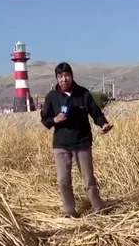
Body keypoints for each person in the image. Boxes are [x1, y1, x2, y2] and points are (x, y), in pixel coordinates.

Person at [41, 62, 113, 218]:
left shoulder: (83, 93)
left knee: (89, 179)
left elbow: (95, 112)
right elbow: (45, 120)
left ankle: (98, 208)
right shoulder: (52, 97)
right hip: (61, 145)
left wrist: (104, 124)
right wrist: (55, 119)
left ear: (72, 76)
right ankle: (70, 212)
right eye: (60, 76)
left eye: (67, 75)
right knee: (63, 181)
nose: (64, 79)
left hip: (82, 142)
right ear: (57, 79)